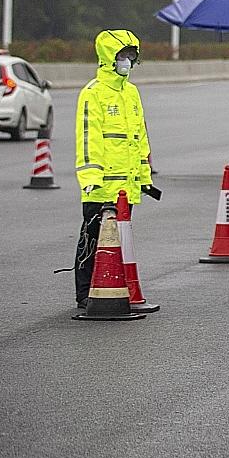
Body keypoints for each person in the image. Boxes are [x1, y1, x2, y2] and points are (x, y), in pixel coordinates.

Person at [73, 30, 159, 307]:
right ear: (109, 58)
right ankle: (85, 293)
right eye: (123, 56)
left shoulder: (131, 93)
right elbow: (88, 139)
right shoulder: (93, 94)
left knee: (118, 244)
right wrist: (90, 177)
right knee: (92, 240)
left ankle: (114, 289)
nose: (127, 62)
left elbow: (139, 140)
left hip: (127, 187)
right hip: (100, 187)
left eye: (131, 57)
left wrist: (144, 177)